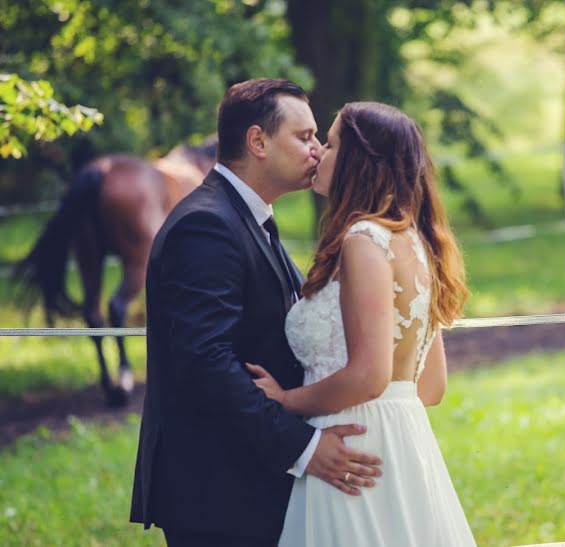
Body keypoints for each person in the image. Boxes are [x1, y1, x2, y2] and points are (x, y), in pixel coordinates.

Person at [130, 79, 383, 546]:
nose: (316, 151)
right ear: (258, 141)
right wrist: (303, 447)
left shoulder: (249, 216)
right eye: (304, 137)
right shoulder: (207, 225)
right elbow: (205, 362)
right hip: (216, 490)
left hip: (248, 479)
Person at [247, 101, 476, 546]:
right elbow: (429, 387)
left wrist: (287, 400)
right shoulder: (415, 242)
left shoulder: (363, 241)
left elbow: (370, 375)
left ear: (359, 160)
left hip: (351, 443)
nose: (318, 153)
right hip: (405, 443)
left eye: (329, 144)